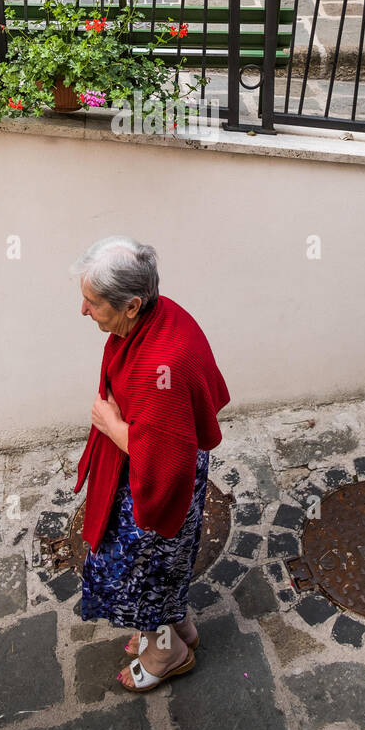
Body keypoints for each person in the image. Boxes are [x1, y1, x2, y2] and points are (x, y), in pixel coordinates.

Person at [70, 236, 230, 692]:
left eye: (92, 302)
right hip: (168, 465)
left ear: (133, 304)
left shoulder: (159, 364)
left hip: (157, 487)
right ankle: (181, 630)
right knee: (166, 565)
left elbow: (163, 463)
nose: (83, 310)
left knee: (145, 570)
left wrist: (111, 424)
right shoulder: (166, 313)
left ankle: (168, 652)